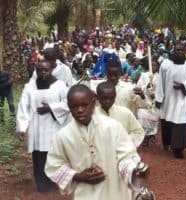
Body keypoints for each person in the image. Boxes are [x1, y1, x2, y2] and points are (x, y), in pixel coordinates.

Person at [45, 84, 151, 200]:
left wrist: (134, 170)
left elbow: (126, 156)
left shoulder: (113, 127)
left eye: (84, 105)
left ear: (93, 103)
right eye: (74, 106)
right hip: (84, 193)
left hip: (114, 191)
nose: (80, 110)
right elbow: (54, 165)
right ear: (69, 107)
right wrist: (78, 176)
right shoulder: (63, 136)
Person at [16, 60, 70, 192]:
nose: (43, 72)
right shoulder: (30, 87)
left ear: (51, 70)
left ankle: (54, 183)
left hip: (54, 127)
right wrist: (22, 127)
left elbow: (68, 103)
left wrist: (51, 108)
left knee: (54, 156)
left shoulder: (60, 86)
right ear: (36, 70)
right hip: (37, 128)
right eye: (40, 70)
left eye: (46, 70)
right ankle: (41, 183)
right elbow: (23, 106)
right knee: (39, 157)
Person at [155, 44, 186, 158]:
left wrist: (183, 86)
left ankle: (178, 150)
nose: (179, 52)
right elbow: (160, 82)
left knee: (180, 122)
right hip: (168, 99)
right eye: (177, 49)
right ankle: (167, 143)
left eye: (182, 50)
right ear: (173, 50)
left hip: (182, 99)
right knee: (167, 120)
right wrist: (159, 98)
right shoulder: (165, 64)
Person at [96, 82, 145, 147]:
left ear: (115, 96)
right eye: (104, 98)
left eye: (111, 98)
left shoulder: (125, 113)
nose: (108, 101)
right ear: (97, 97)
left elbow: (138, 132)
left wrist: (125, 143)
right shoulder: (92, 114)